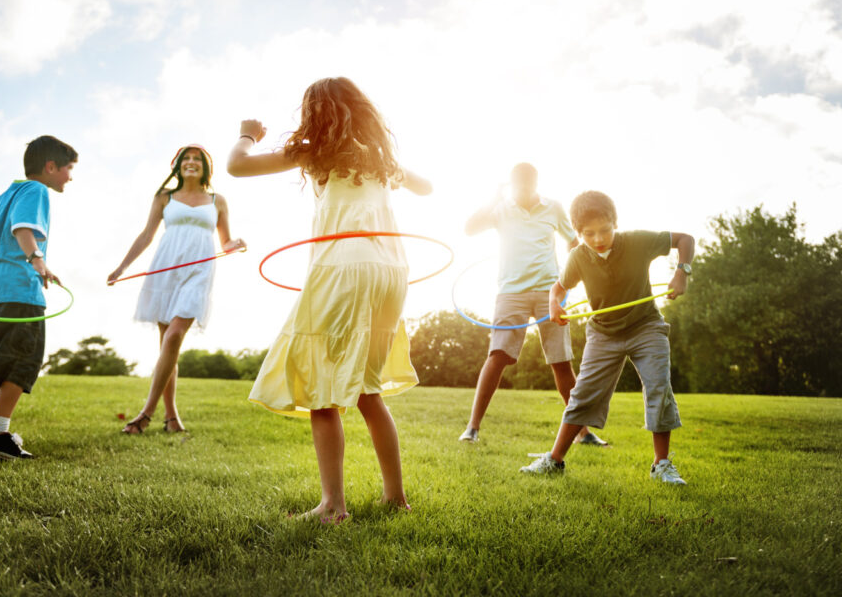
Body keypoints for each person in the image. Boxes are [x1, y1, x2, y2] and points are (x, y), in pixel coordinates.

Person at [227, 77, 432, 523]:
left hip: (345, 266)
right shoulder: (380, 158)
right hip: (391, 270)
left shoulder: (313, 150)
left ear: (314, 113)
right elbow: (427, 187)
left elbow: (237, 167)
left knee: (323, 388)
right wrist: (392, 165)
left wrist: (247, 133)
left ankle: (332, 507)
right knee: (367, 389)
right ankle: (394, 497)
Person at [520, 190, 694, 485]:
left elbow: (685, 240)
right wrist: (554, 305)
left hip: (646, 326)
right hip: (603, 333)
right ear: (578, 233)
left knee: (659, 387)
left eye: (604, 230)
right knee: (582, 395)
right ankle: (554, 460)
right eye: (589, 234)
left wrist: (682, 271)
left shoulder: (638, 241)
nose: (598, 239)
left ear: (615, 222)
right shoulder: (578, 257)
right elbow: (558, 288)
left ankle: (661, 465)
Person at [0, 135, 77, 460]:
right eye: (68, 169)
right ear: (51, 167)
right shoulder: (36, 190)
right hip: (18, 289)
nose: (70, 177)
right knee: (22, 357)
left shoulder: (8, 192)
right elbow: (23, 229)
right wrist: (38, 261)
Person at [459, 163, 605, 447]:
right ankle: (472, 428)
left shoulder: (554, 207)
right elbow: (469, 229)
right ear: (512, 185)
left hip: (549, 291)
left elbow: (573, 240)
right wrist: (492, 198)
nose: (523, 191)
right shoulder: (500, 208)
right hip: (510, 291)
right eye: (518, 185)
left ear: (536, 183)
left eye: (528, 185)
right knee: (497, 355)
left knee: (561, 361)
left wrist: (571, 271)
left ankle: (583, 431)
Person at [108, 144, 245, 434]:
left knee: (173, 336)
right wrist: (122, 268)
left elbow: (226, 242)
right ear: (178, 165)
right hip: (166, 270)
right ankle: (171, 419)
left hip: (198, 272)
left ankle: (146, 413)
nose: (191, 162)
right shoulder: (164, 197)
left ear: (206, 167)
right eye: (186, 159)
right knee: (167, 346)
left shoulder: (217, 200)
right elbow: (146, 235)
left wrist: (236, 245)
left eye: (198, 159)